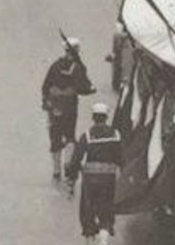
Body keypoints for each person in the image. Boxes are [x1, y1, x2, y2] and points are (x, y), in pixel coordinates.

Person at [65, 102, 123, 244]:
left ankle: (90, 240)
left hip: (90, 179)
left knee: (87, 210)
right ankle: (103, 239)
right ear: (106, 117)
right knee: (106, 208)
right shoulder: (116, 135)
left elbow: (76, 159)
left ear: (93, 118)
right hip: (108, 178)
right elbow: (121, 158)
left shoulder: (87, 136)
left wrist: (72, 180)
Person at [42, 38, 95, 183]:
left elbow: (45, 86)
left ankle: (56, 170)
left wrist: (47, 103)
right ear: (77, 50)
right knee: (69, 135)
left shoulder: (55, 66)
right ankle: (67, 164)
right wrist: (91, 89)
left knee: (55, 135)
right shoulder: (77, 68)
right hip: (70, 107)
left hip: (54, 107)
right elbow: (83, 87)